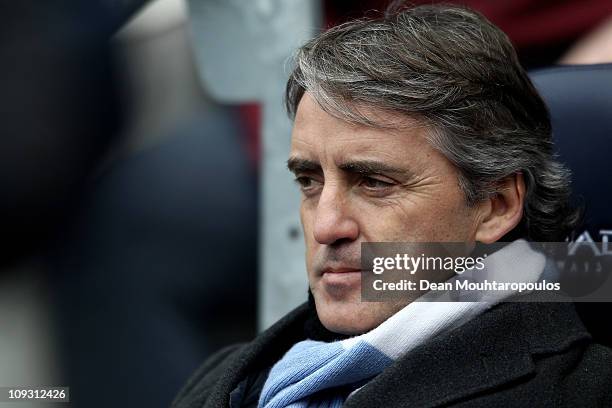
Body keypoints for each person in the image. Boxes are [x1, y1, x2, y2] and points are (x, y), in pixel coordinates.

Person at [172, 4, 612, 407]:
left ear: (496, 206)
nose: (327, 226)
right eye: (309, 182)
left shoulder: (576, 393)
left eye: (375, 182)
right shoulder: (225, 377)